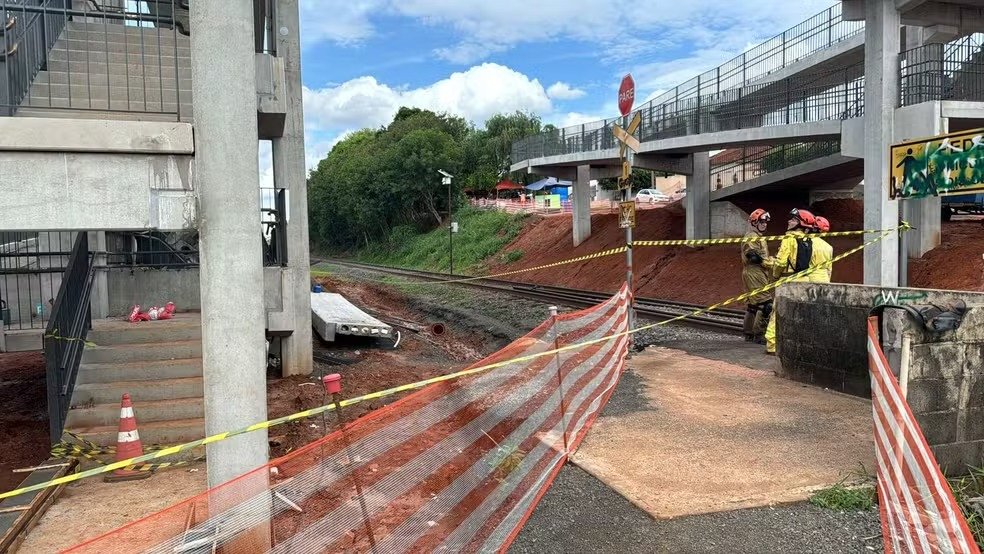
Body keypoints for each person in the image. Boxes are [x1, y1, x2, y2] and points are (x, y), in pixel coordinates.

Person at [764, 208, 816, 355]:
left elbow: (780, 263)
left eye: (793, 220)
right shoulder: (808, 240)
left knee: (778, 312)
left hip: (787, 280)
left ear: (800, 224)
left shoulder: (789, 239)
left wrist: (775, 273)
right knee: (799, 314)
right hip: (803, 279)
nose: (789, 221)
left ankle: (772, 345)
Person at [741, 209, 775, 344]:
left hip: (753, 272)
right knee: (766, 304)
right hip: (755, 272)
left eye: (766, 222)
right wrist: (768, 262)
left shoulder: (755, 235)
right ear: (754, 222)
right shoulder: (752, 237)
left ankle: (748, 333)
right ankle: (759, 334)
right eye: (761, 222)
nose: (764, 224)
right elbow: (752, 256)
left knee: (752, 305)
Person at [809, 216, 834, 283]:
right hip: (825, 280)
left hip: (810, 280)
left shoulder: (806, 243)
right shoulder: (829, 247)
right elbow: (829, 269)